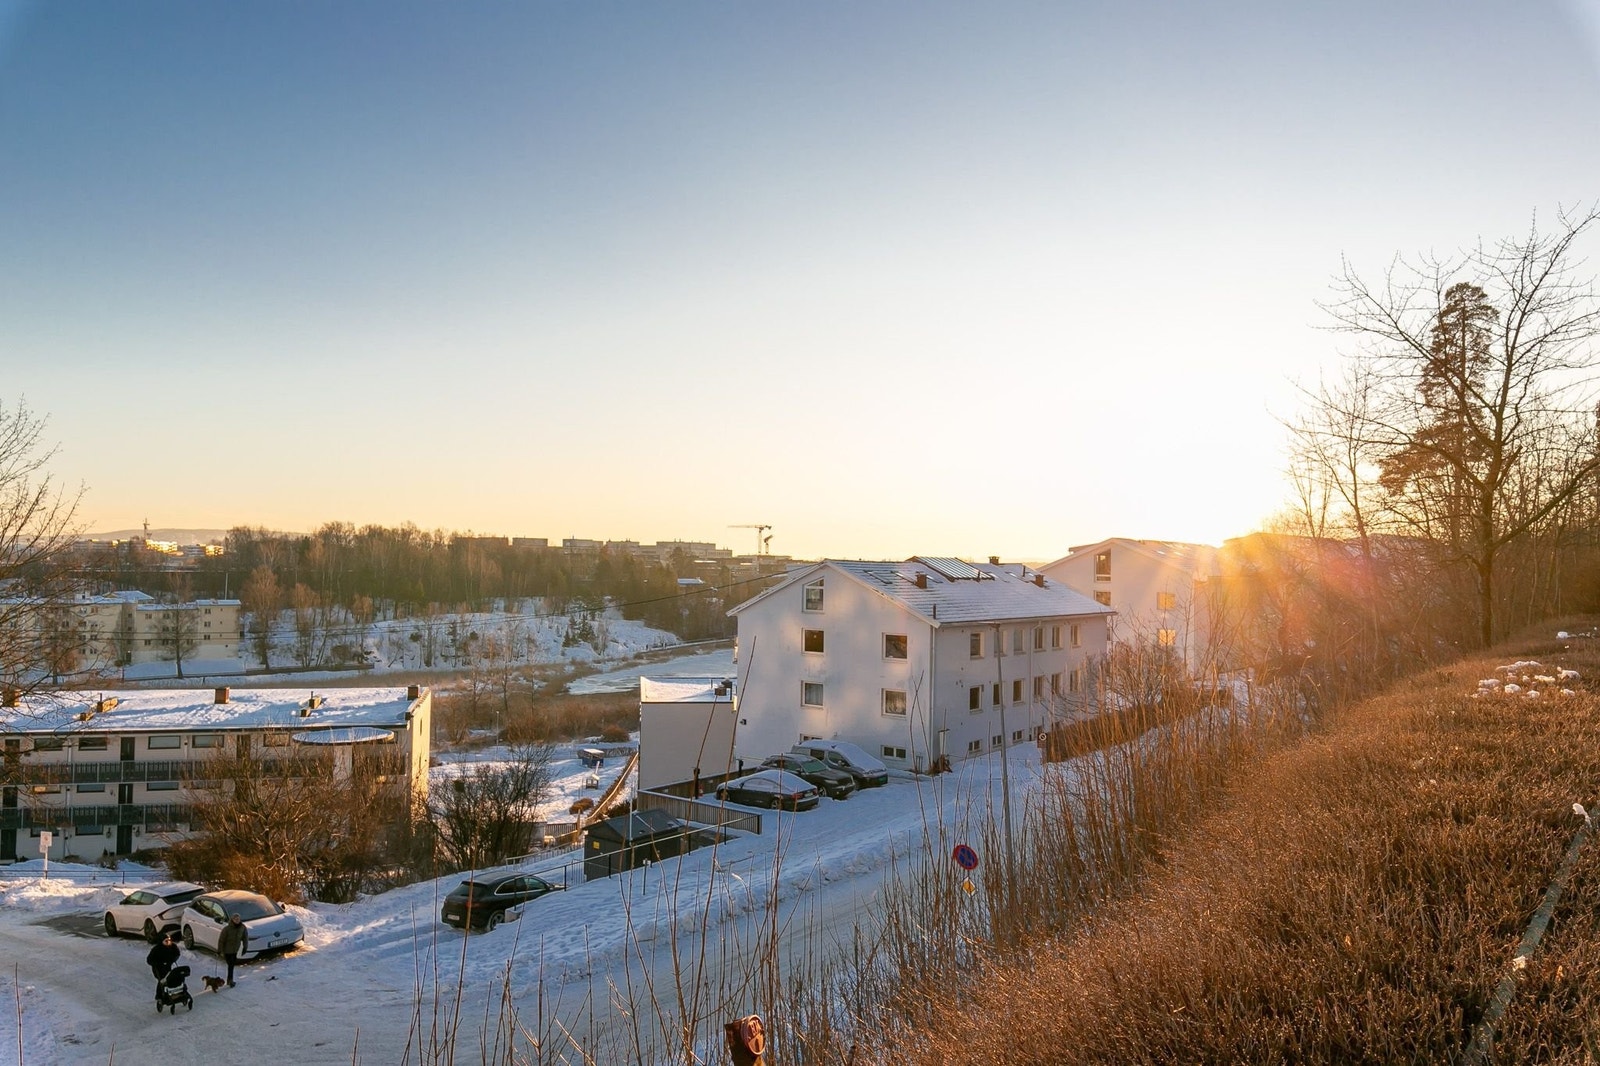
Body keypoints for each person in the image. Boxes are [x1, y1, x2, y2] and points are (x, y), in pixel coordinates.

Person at [146, 934, 181, 1001]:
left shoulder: (173, 946)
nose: (168, 942)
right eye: (166, 941)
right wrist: (158, 964)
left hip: (169, 966)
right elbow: (149, 960)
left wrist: (172, 959)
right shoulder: (156, 949)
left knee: (173, 977)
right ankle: (159, 995)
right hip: (159, 969)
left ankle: (175, 992)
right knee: (162, 980)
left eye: (169, 940)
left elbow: (177, 953)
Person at [218, 913, 248, 987]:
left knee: (231, 965)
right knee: (230, 965)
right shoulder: (227, 929)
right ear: (232, 920)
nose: (237, 920)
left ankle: (229, 980)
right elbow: (221, 940)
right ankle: (230, 980)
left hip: (235, 950)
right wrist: (220, 950)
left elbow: (245, 938)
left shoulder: (242, 927)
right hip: (227, 950)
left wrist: (245, 947)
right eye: (235, 919)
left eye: (238, 919)